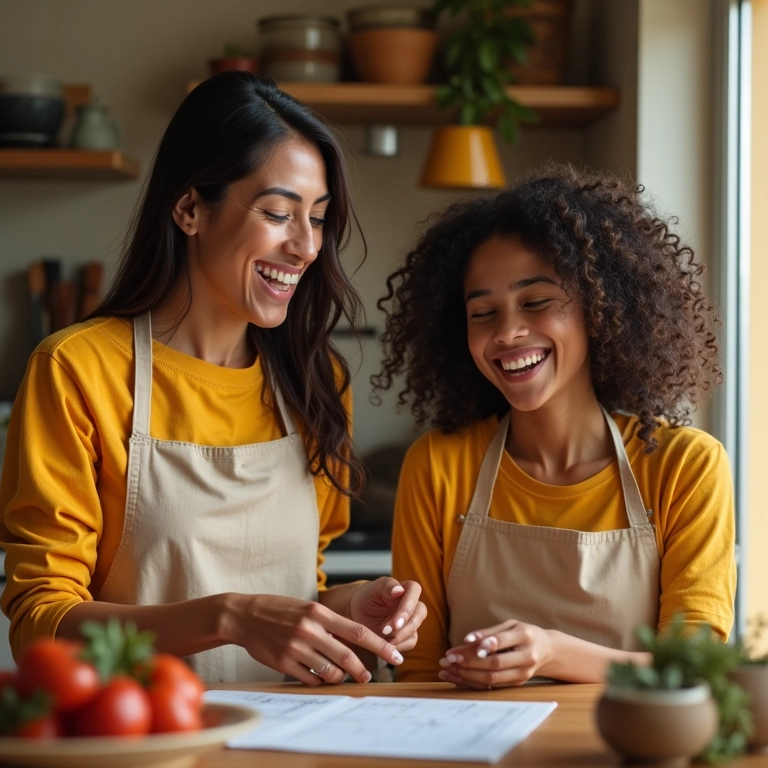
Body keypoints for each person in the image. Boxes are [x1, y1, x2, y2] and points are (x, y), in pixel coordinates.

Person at [0, 71, 425, 685]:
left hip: (292, 743)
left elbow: (301, 589)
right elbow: (41, 621)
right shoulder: (77, 370)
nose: (306, 246)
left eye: (320, 218)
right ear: (190, 208)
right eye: (279, 213)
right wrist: (229, 615)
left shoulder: (316, 381)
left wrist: (348, 609)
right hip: (147, 739)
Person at [374, 162, 735, 688]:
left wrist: (553, 653)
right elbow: (421, 675)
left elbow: (693, 671)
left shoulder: (685, 467)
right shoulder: (438, 466)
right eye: (483, 313)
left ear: (599, 307)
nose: (508, 332)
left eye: (536, 301)